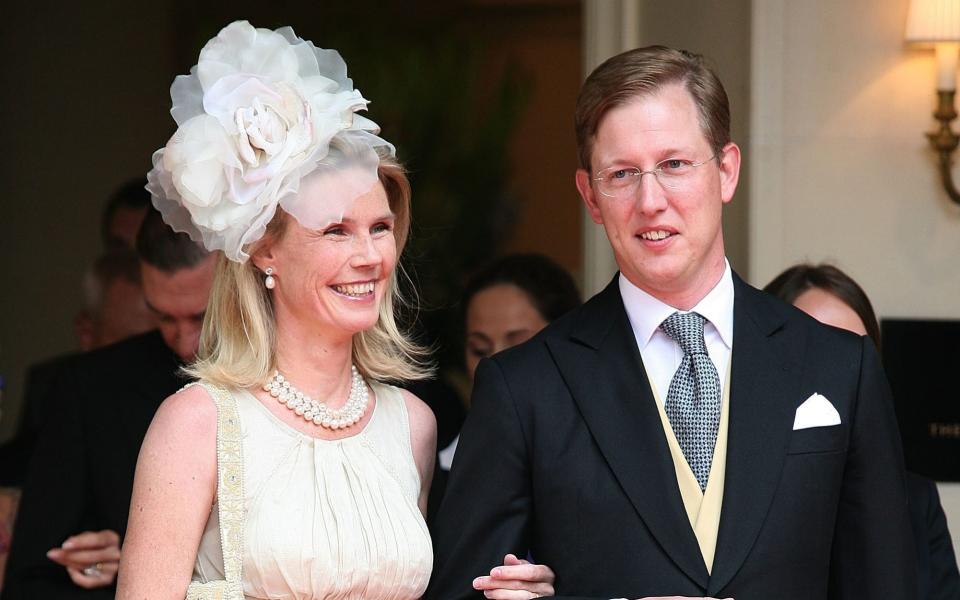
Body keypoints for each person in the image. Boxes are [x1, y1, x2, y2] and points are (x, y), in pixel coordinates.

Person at [427, 45, 916, 599]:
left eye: (674, 165)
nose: (650, 200)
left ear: (726, 171)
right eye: (622, 173)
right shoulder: (524, 388)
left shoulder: (839, 367)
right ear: (590, 195)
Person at [115, 21, 553, 599]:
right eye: (336, 231)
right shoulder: (198, 422)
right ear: (265, 251)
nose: (370, 256)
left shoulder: (413, 424)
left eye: (379, 228)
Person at [1, 209, 214, 599]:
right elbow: (26, 584)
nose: (185, 342)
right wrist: (122, 572)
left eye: (201, 316)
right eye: (163, 317)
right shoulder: (91, 389)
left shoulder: (297, 374)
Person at [765, 262, 960, 600]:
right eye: (819, 352)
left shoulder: (915, 501)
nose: (840, 376)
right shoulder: (739, 502)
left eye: (855, 356)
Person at [429, 253, 581, 521]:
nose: (494, 366)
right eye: (480, 349)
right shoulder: (430, 471)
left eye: (517, 347)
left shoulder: (600, 462)